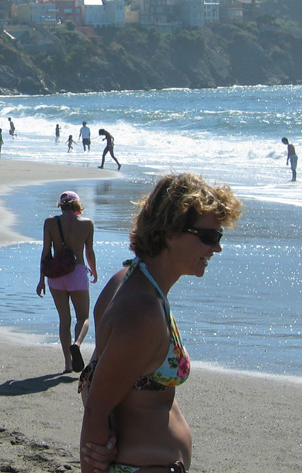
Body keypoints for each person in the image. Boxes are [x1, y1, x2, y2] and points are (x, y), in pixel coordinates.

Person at [78, 173, 242, 473]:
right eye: (209, 237)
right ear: (169, 232)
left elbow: (92, 379)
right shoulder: (142, 312)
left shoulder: (128, 281)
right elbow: (96, 410)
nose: (216, 248)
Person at [36, 191, 97, 374]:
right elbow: (89, 252)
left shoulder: (50, 222)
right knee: (83, 318)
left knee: (64, 320)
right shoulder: (87, 224)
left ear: (61, 205)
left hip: (55, 276)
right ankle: (77, 344)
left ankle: (68, 365)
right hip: (77, 273)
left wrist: (41, 279)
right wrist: (94, 271)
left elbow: (46, 252)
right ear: (78, 205)